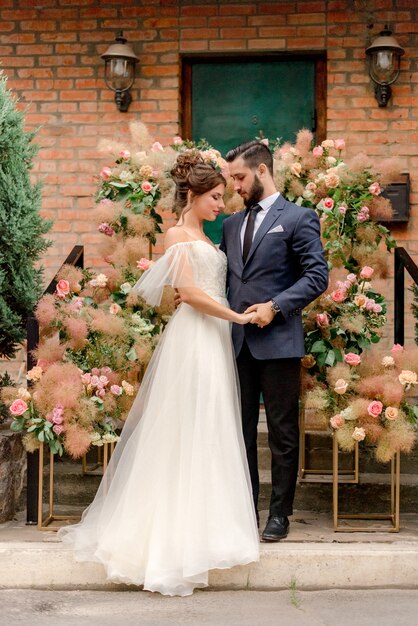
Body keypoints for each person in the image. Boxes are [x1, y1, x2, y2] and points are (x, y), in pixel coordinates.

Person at [58, 152, 259, 597]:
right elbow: (187, 292)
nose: (220, 205)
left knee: (209, 426)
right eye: (214, 197)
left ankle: (205, 532)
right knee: (183, 429)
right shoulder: (176, 235)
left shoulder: (209, 239)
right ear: (193, 195)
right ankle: (167, 541)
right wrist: (237, 317)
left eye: (222, 196)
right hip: (195, 338)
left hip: (213, 337)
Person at [221, 140, 328, 542]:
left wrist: (277, 306)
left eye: (240, 177)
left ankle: (279, 514)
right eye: (232, 179)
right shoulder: (231, 225)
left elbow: (317, 276)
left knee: (283, 432)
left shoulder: (299, 218)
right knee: (241, 431)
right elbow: (226, 277)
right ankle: (245, 511)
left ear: (262, 171)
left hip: (280, 342)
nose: (235, 186)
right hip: (236, 344)